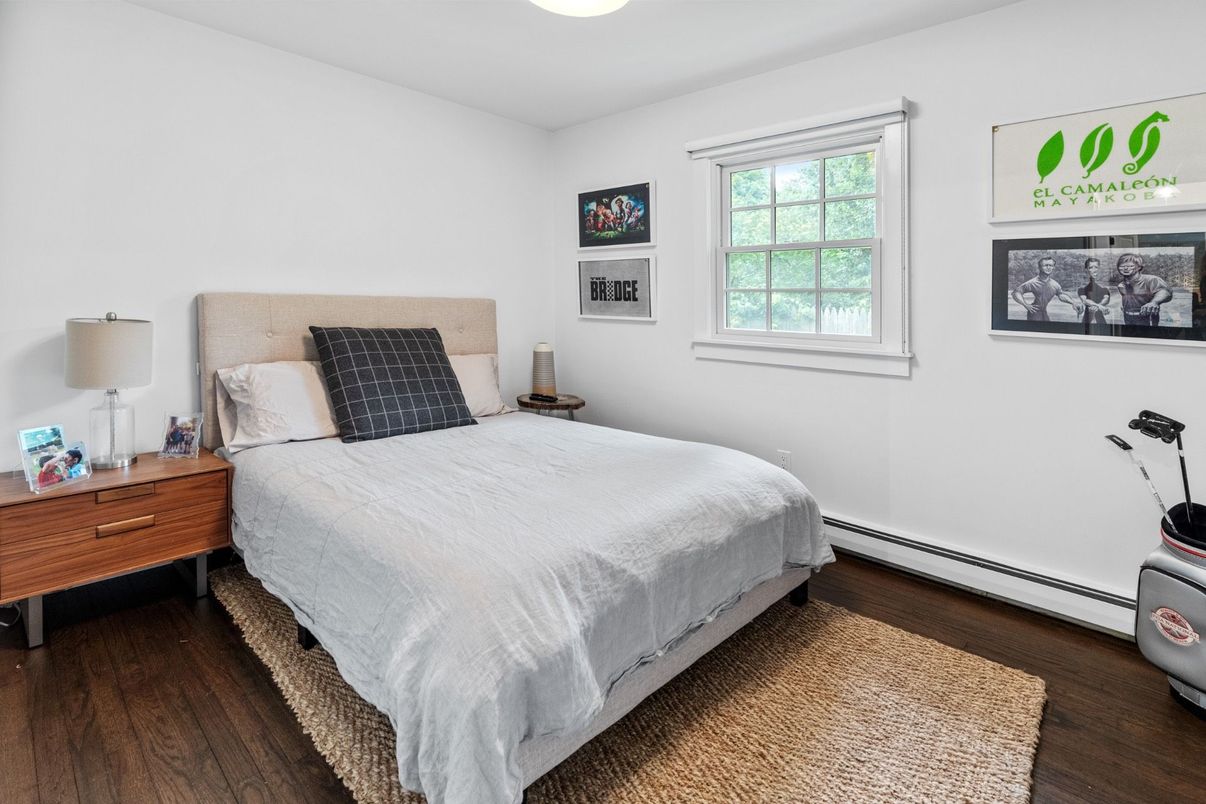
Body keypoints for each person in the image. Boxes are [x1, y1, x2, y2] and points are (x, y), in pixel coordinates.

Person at [1012, 256, 1083, 322]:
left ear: (1053, 267)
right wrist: (1025, 305)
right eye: (1046, 265)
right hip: (1034, 313)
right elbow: (1016, 292)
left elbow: (1061, 295)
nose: (1048, 267)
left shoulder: (1055, 284)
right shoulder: (1033, 282)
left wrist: (1073, 303)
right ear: (1040, 267)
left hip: (1044, 312)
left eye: (1051, 265)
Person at [1112, 252, 1172, 326]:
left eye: (1130, 266)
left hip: (1147, 318)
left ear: (1139, 267)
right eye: (1122, 266)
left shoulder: (1151, 280)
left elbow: (1164, 291)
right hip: (1128, 318)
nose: (1125, 268)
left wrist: (1154, 302)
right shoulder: (1121, 285)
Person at [1078, 258, 1111, 329]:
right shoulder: (1082, 288)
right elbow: (1085, 300)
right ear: (1086, 270)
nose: (1094, 270)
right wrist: (1100, 306)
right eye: (1091, 267)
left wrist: (1098, 306)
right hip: (1087, 318)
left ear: (1099, 269)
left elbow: (1106, 299)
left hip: (1100, 318)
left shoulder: (1104, 288)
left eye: (1096, 267)